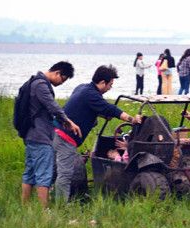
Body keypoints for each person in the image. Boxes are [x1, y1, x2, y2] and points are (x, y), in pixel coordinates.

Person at [53, 64, 142, 202]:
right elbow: (110, 109)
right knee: (65, 173)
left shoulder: (82, 88)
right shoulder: (91, 94)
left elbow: (85, 107)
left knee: (56, 168)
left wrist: (99, 114)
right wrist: (132, 120)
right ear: (102, 83)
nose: (110, 88)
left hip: (56, 132)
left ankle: (54, 195)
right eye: (110, 85)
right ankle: (60, 205)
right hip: (65, 136)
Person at [20, 61, 81, 207]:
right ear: (57, 73)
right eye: (63, 79)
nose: (61, 83)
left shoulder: (32, 82)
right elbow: (52, 105)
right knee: (44, 174)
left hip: (31, 134)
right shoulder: (41, 85)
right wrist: (67, 121)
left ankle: (25, 206)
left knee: (30, 172)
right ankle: (43, 212)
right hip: (40, 135)